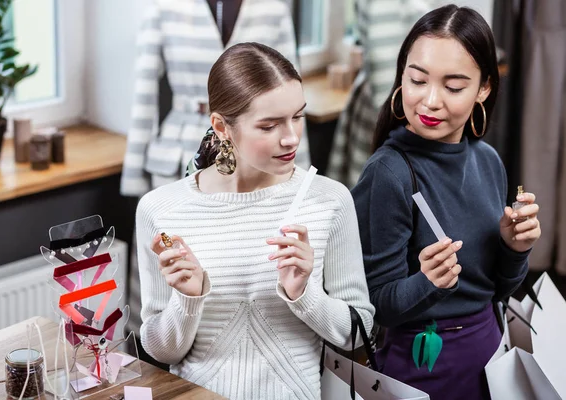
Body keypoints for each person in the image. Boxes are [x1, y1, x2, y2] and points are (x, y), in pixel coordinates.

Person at [135, 42, 375, 400]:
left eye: (297, 116)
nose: (291, 137)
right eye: (269, 125)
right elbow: (160, 351)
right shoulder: (162, 210)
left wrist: (303, 293)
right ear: (221, 126)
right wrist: (187, 300)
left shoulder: (330, 201)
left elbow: (360, 334)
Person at [351, 5, 541, 400]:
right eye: (417, 80)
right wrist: (427, 284)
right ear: (402, 75)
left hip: (492, 355)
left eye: (453, 87)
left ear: (483, 88)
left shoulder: (487, 161)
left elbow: (497, 290)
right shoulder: (388, 174)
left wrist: (514, 248)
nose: (429, 101)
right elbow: (374, 308)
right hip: (425, 369)